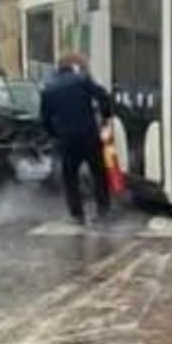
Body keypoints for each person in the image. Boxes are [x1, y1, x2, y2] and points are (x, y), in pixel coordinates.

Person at [40, 51, 113, 225]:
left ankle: (77, 214)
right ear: (73, 66)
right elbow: (102, 96)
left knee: (70, 177)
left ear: (58, 67)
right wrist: (105, 116)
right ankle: (103, 210)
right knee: (98, 173)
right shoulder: (81, 80)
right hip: (89, 134)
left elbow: (45, 118)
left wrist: (55, 135)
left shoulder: (48, 88)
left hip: (67, 139)